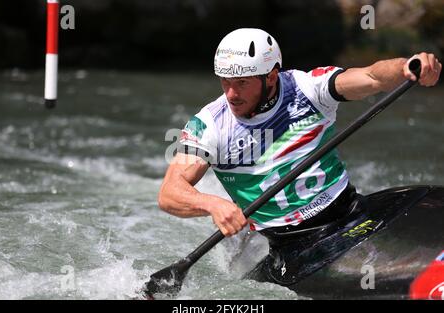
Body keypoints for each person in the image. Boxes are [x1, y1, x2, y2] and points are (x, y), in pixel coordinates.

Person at [158, 28, 441, 285]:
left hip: (353, 212)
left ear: (270, 75)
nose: (231, 94)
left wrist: (407, 67)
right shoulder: (210, 125)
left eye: (242, 83)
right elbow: (170, 193)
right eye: (225, 81)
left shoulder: (307, 89)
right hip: (294, 249)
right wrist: (212, 204)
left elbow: (371, 76)